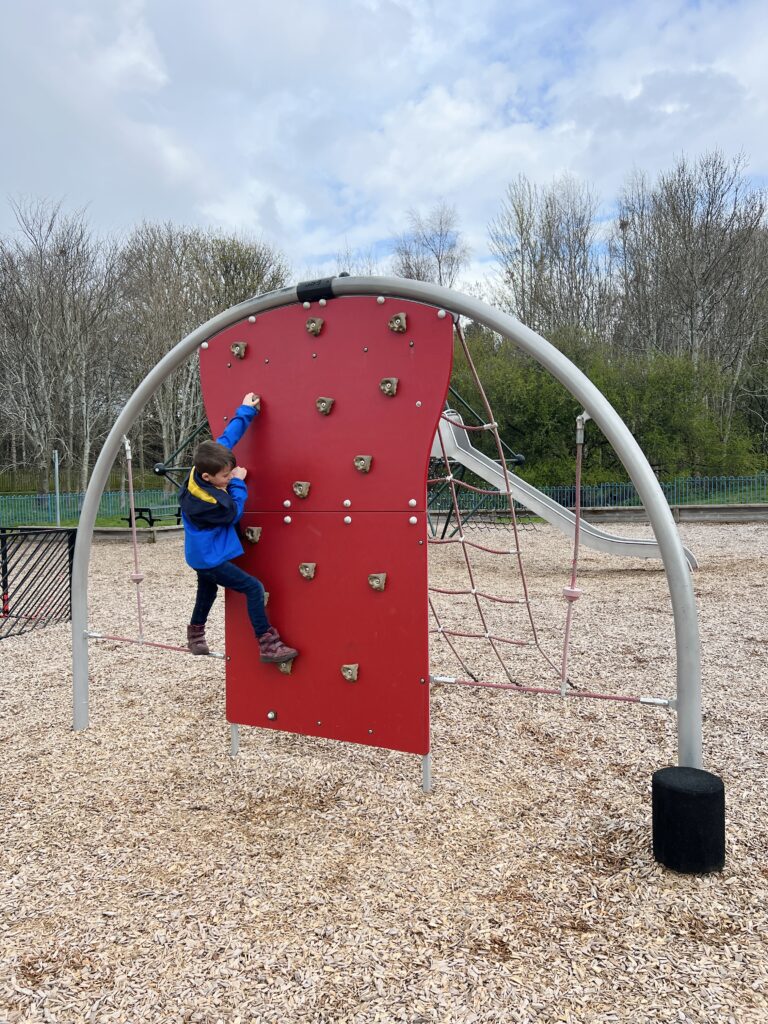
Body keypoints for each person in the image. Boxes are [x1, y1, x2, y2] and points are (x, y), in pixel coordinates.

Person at [179, 391, 298, 664]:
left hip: (199, 554)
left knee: (206, 590)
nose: (228, 476)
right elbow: (234, 512)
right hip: (211, 558)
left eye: (229, 472)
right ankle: (267, 643)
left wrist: (246, 410)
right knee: (253, 588)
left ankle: (195, 635)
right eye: (224, 476)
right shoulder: (209, 502)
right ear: (209, 477)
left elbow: (227, 439)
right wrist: (238, 482)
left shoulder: (199, 471)